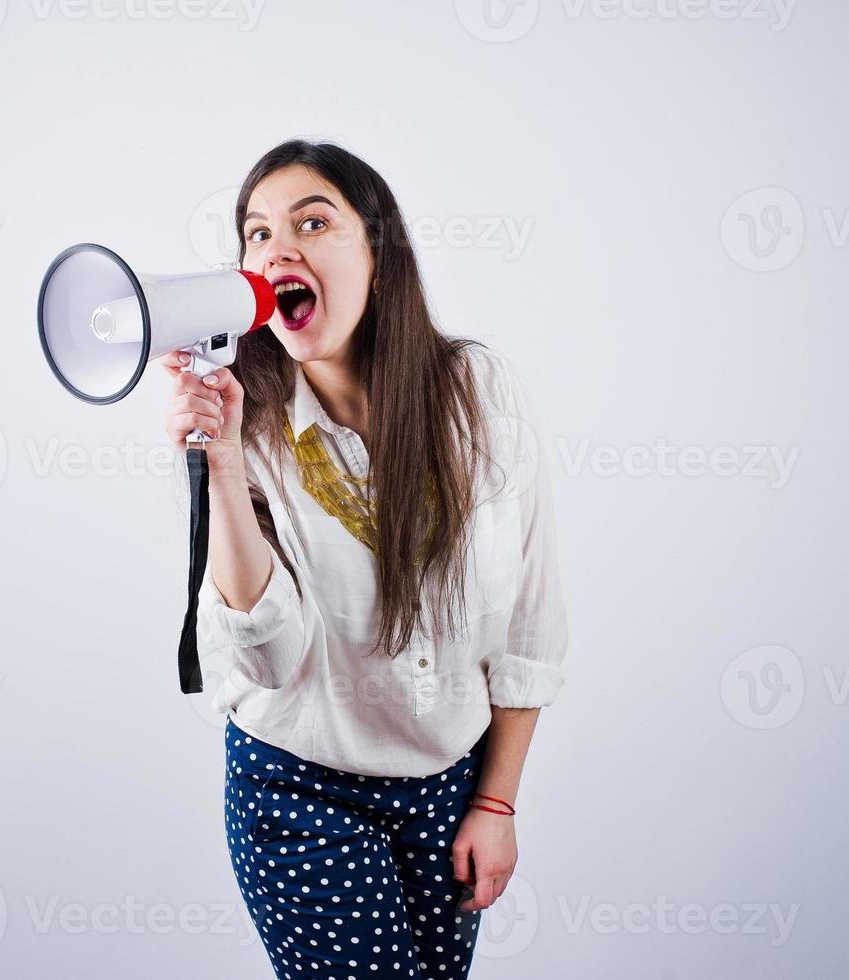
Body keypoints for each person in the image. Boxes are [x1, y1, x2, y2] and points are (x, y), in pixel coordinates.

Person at [162, 139, 569, 979]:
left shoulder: (480, 394)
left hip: (445, 786)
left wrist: (494, 800)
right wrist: (225, 461)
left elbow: (530, 617)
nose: (277, 248)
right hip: (300, 789)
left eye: (313, 221)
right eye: (256, 232)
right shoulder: (239, 431)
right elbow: (268, 656)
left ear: (380, 261)